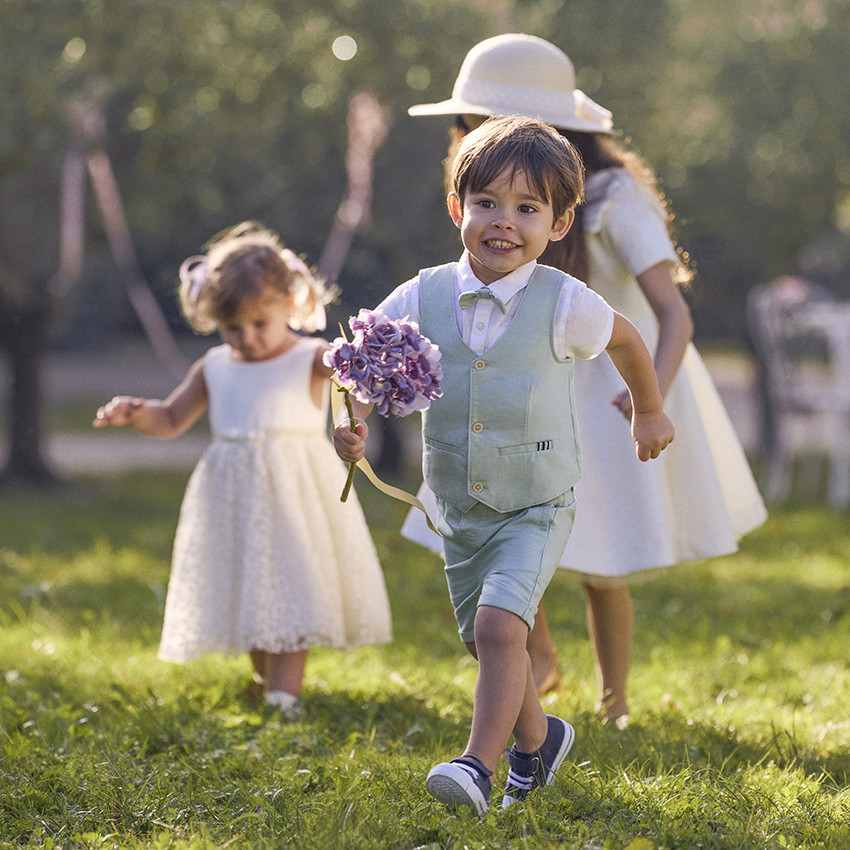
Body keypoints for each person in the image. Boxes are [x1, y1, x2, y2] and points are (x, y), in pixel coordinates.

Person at [405, 33, 768, 724]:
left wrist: (648, 398)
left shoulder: (611, 197)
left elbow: (673, 314)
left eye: (482, 121)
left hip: (612, 391)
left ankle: (615, 700)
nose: (472, 136)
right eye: (472, 125)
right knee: (507, 523)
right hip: (534, 384)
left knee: (602, 551)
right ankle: (537, 663)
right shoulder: (500, 199)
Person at [332, 116, 674, 814]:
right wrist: (354, 424)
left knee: (498, 629)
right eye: (487, 202)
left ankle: (476, 769)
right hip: (459, 506)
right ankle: (539, 744)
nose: (503, 223)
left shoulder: (564, 302)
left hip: (537, 502)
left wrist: (648, 409)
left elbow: (631, 341)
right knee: (486, 641)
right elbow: (368, 367)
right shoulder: (419, 295)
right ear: (458, 208)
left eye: (527, 209)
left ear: (559, 223)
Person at [93, 222, 392, 715]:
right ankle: (262, 675)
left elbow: (355, 394)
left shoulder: (312, 356)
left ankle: (283, 695)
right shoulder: (214, 365)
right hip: (231, 494)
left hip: (295, 492)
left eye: (260, 323)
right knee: (249, 586)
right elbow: (170, 418)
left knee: (291, 584)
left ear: (290, 306)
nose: (247, 338)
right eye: (233, 327)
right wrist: (135, 412)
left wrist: (350, 427)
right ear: (212, 318)